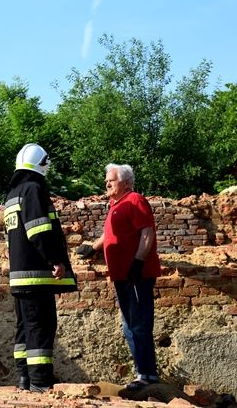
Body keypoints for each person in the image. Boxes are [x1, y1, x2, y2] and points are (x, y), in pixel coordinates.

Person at [76, 163, 162, 390]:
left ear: (125, 182)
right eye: (106, 180)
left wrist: (138, 262)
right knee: (129, 325)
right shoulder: (117, 204)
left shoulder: (135, 200)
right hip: (123, 276)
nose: (107, 183)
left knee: (138, 324)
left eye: (111, 180)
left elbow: (147, 232)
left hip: (136, 276)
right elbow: (110, 234)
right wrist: (93, 247)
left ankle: (147, 375)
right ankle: (143, 372)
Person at [4, 143, 77, 392]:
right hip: (36, 276)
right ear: (42, 165)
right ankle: (40, 383)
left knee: (25, 328)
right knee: (41, 327)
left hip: (19, 276)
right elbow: (39, 230)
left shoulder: (13, 195)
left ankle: (25, 380)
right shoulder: (34, 190)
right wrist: (55, 259)